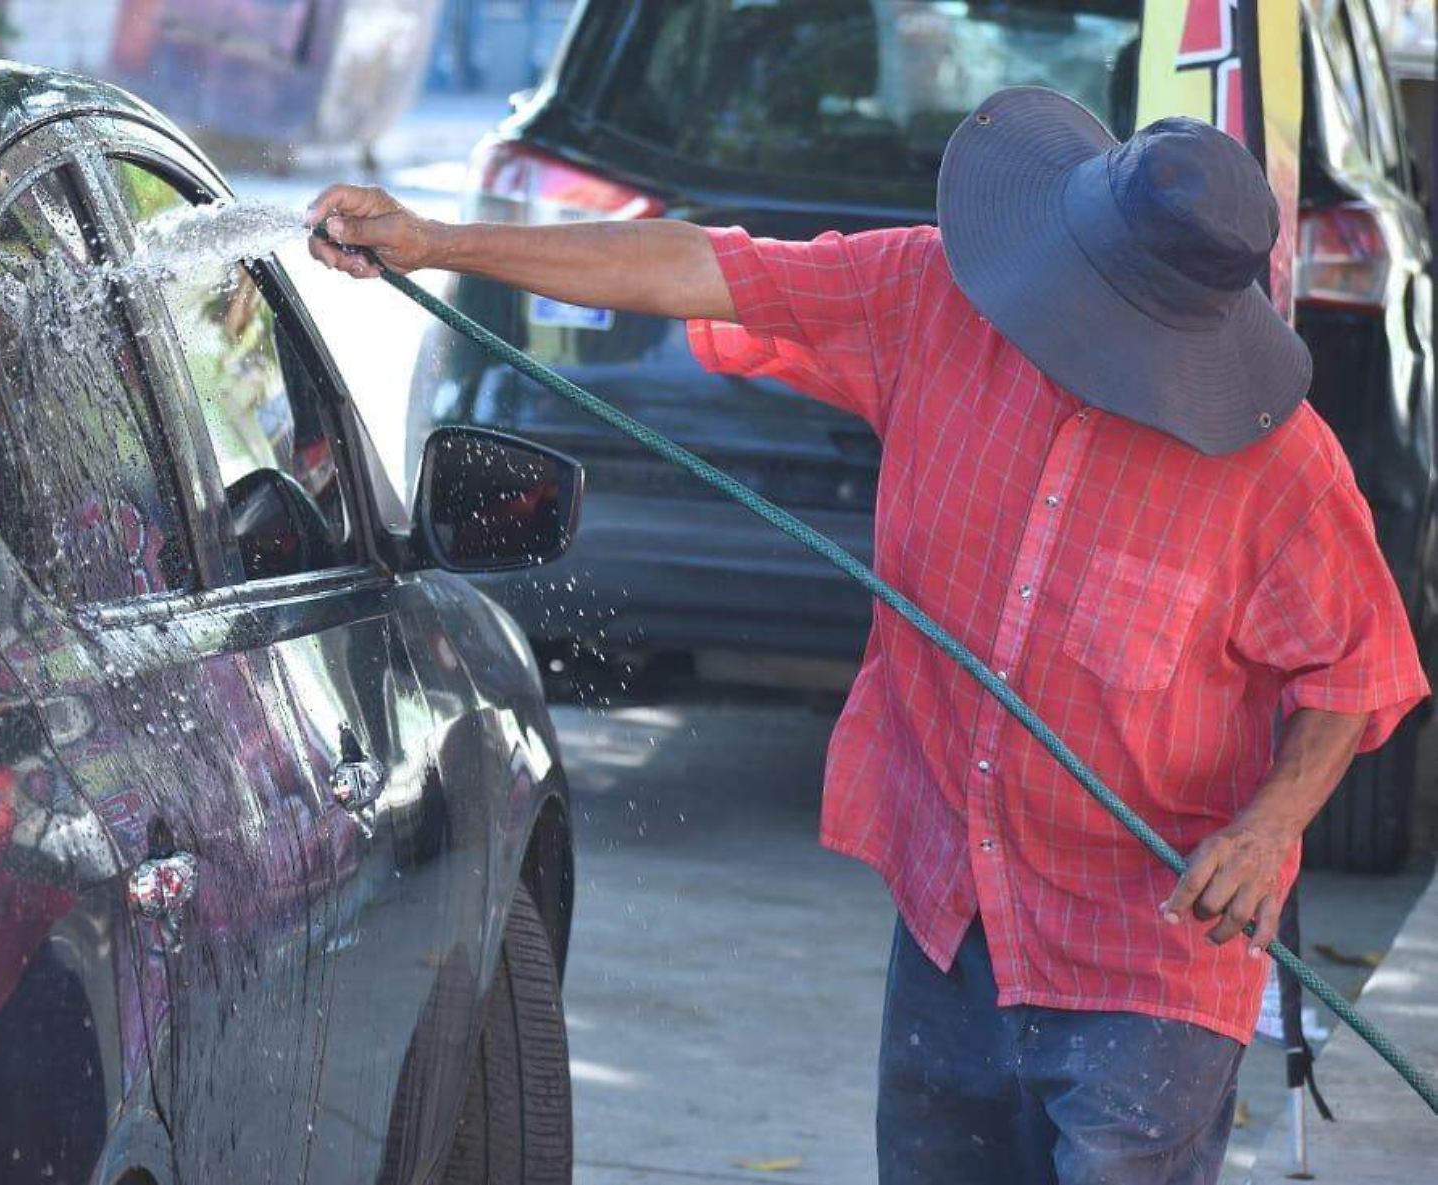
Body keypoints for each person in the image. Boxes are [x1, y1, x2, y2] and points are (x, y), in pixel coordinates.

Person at [304, 86, 1428, 1185]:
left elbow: (1357, 667)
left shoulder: (1279, 471)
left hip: (1155, 958)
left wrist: (1265, 824)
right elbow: (705, 266)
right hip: (957, 917)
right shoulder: (934, 293)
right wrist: (433, 240)